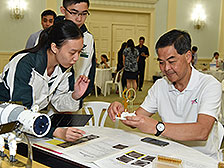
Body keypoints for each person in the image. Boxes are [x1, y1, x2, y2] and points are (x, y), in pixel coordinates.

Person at [108, 29, 223, 159]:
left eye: (172, 61)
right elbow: (138, 118)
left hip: (202, 158)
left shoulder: (209, 85)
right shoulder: (160, 85)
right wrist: (122, 113)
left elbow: (202, 131)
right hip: (169, 155)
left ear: (188, 57)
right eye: (161, 62)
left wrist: (157, 127)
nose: (166, 68)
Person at [0, 20, 89, 142]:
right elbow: (20, 113)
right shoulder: (24, 64)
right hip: (6, 124)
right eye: (72, 52)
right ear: (54, 47)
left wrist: (75, 96)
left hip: (29, 126)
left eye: (80, 52)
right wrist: (55, 131)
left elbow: (58, 102)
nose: (76, 58)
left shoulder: (65, 68)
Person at [60, 0, 96, 108]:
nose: (79, 18)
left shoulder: (88, 38)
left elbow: (90, 67)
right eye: (74, 13)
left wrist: (81, 94)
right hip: (50, 101)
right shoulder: (51, 34)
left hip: (76, 97)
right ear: (63, 10)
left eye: (84, 14)